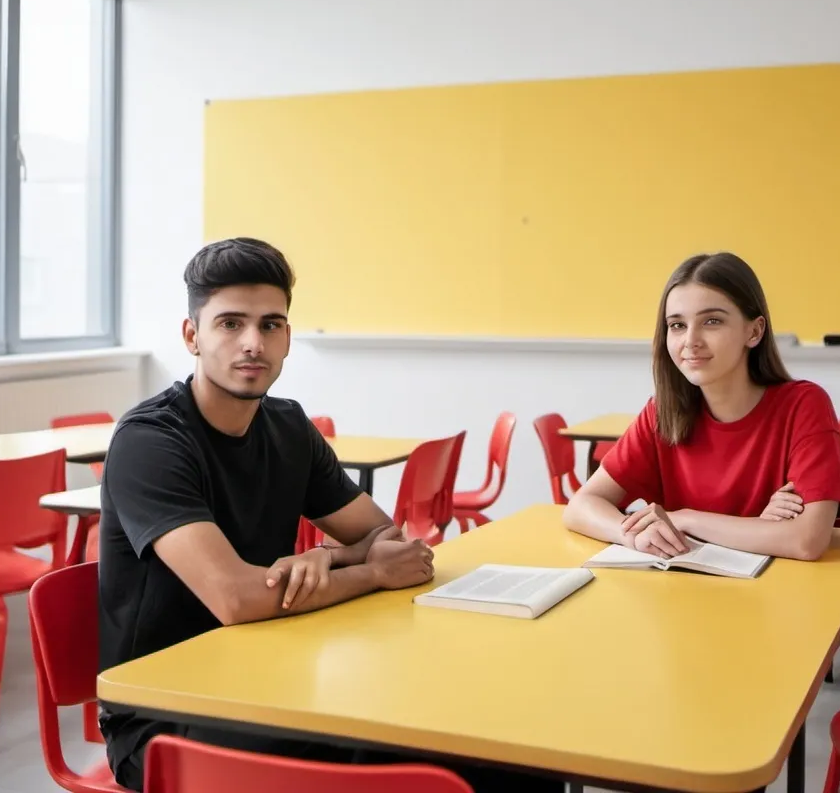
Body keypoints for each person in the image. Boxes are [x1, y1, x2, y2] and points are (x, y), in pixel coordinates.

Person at [99, 238, 558, 793]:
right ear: (192, 336)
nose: (252, 342)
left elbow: (382, 533)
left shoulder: (288, 427)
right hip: (164, 717)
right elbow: (237, 598)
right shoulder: (151, 441)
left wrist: (325, 555)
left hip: (275, 674)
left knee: (502, 751)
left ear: (288, 337)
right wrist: (368, 572)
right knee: (419, 761)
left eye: (271, 324)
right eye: (230, 324)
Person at [563, 251, 840, 562]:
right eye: (676, 325)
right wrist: (633, 533)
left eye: (712, 321)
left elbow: (807, 540)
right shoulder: (662, 414)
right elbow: (581, 506)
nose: (691, 340)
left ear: (754, 331)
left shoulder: (804, 405)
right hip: (678, 596)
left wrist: (684, 519)